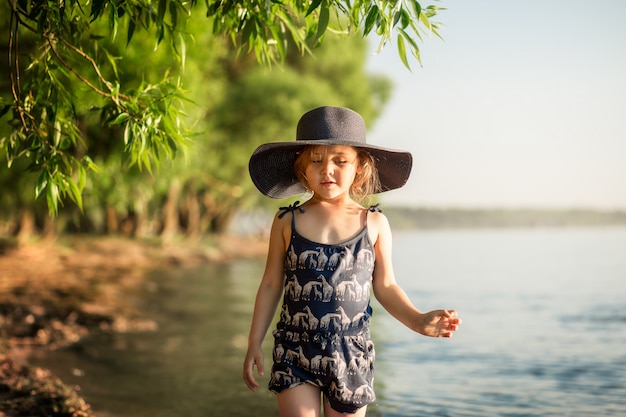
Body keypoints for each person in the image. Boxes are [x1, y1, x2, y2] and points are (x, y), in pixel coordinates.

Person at [243, 106, 461, 417]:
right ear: (302, 167)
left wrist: (417, 319)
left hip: (352, 354)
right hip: (295, 348)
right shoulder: (286, 220)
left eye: (339, 161)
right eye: (316, 160)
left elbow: (385, 286)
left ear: (358, 167)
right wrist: (254, 341)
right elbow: (270, 284)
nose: (327, 170)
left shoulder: (373, 223)